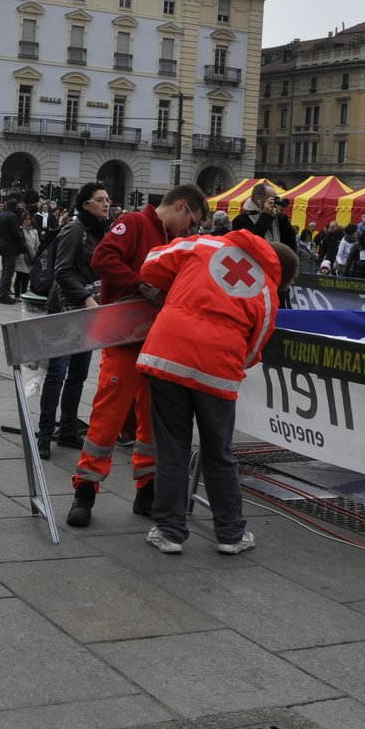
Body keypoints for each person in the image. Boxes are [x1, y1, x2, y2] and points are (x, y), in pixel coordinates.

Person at [138, 232, 296, 555]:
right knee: (219, 452)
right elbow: (254, 350)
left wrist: (181, 285)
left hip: (168, 355)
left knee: (172, 447)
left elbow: (150, 265)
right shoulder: (267, 292)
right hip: (218, 373)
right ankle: (230, 534)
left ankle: (169, 532)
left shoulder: (205, 244)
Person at [67, 184, 207, 528]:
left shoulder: (171, 238)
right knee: (107, 417)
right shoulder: (133, 222)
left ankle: (147, 491)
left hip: (158, 341)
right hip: (126, 340)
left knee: (151, 421)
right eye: (191, 221)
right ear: (182, 207)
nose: (189, 229)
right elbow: (103, 258)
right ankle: (84, 492)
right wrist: (140, 283)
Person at [37, 182, 111, 461]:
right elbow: (62, 271)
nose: (106, 204)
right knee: (57, 372)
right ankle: (45, 434)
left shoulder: (99, 231)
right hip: (66, 309)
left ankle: (68, 428)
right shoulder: (75, 229)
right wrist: (86, 298)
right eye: (100, 200)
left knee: (78, 374)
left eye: (108, 199)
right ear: (85, 205)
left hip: (86, 310)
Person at [0, 197, 24, 304]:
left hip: (3, 244)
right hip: (11, 246)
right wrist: (21, 245)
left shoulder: (1, 215)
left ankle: (3, 292)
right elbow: (16, 233)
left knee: (5, 271)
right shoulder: (13, 217)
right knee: (9, 272)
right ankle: (4, 295)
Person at [13, 210, 40, 297]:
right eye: (25, 219)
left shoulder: (34, 231)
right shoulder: (20, 230)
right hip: (22, 256)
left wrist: (37, 255)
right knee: (20, 275)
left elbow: (37, 244)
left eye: (29, 219)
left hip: (31, 256)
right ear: (22, 220)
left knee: (27, 276)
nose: (27, 220)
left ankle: (23, 294)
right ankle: (17, 295)